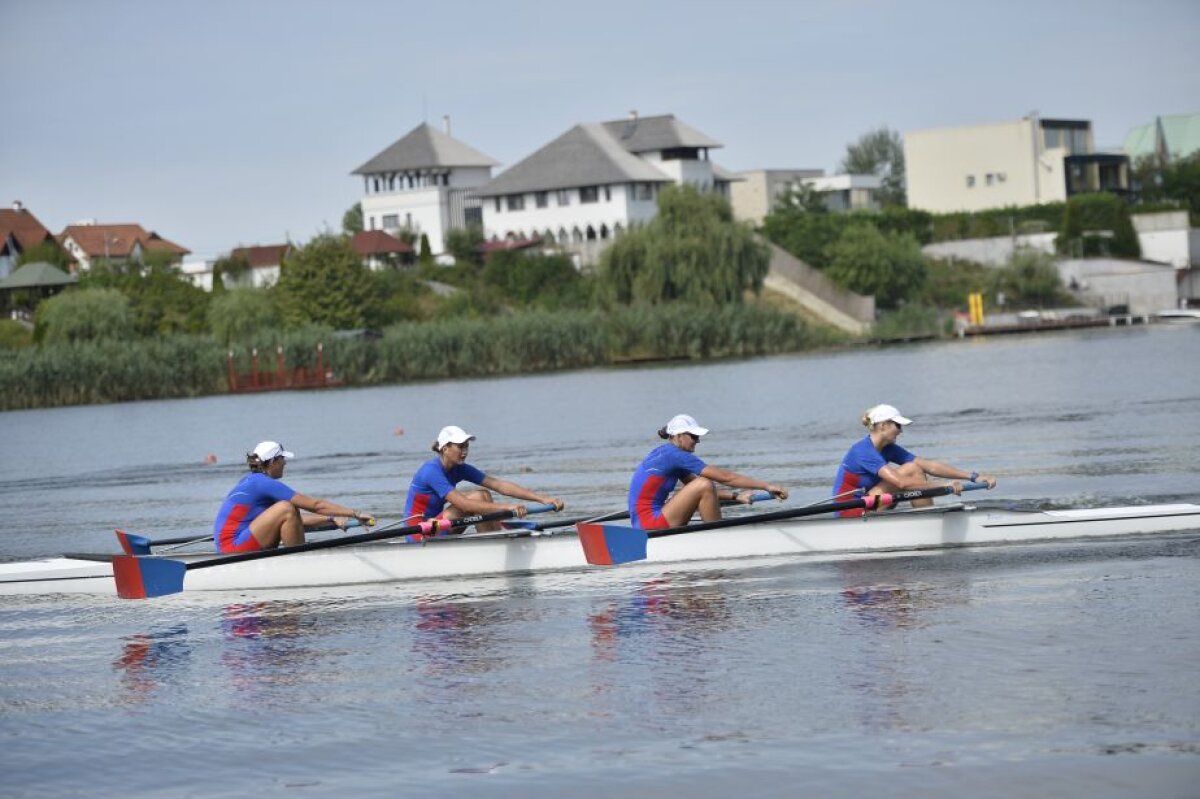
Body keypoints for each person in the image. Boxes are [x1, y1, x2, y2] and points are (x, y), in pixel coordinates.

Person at [832, 404, 997, 517]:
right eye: (898, 426)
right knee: (910, 470)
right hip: (850, 511)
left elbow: (929, 466)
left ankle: (926, 516)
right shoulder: (863, 451)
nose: (901, 431)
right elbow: (901, 483)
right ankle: (927, 519)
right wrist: (942, 486)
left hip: (872, 501)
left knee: (914, 467)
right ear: (883, 426)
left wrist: (974, 477)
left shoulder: (888, 448)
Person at [628, 414, 788, 530]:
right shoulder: (675, 455)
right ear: (678, 436)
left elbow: (706, 492)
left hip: (644, 522)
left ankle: (713, 531)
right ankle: (716, 537)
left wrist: (736, 496)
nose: (698, 441)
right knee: (703, 483)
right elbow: (727, 478)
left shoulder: (665, 453)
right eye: (694, 436)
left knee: (702, 485)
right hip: (650, 523)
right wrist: (766, 486)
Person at [213, 441, 373, 553]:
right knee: (287, 507)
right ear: (273, 461)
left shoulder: (252, 481)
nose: (285, 464)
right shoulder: (263, 484)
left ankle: (294, 557)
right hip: (232, 548)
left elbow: (293, 521)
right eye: (282, 459)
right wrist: (355, 513)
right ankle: (298, 562)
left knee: (287, 510)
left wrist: (331, 519)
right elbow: (316, 505)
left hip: (233, 544)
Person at [403, 425, 565, 533]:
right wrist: (509, 508)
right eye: (460, 446)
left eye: (466, 446)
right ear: (445, 449)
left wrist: (543, 499)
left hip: (438, 525)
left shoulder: (459, 468)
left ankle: (496, 537)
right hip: (420, 531)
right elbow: (464, 504)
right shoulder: (431, 471)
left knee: (483, 493)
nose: (465, 451)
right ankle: (496, 543)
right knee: (478, 497)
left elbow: (499, 485)